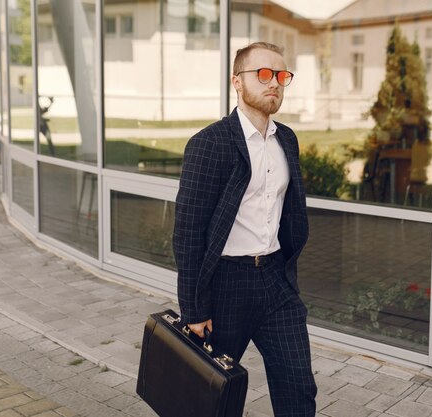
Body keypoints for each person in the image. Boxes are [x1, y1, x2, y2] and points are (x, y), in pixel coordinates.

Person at [172, 42, 317, 416]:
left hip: (275, 280)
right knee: (212, 394)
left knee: (299, 387)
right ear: (237, 81)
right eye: (264, 74)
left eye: (282, 76)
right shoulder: (209, 144)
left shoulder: (286, 139)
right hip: (226, 286)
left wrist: (287, 267)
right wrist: (193, 307)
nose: (275, 83)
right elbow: (188, 232)